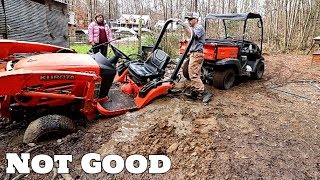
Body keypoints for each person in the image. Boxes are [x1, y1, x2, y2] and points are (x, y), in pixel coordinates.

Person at [183, 12, 212, 103]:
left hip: (197, 54)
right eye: (188, 19)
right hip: (194, 54)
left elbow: (193, 36)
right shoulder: (193, 28)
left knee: (193, 75)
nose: (189, 21)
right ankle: (195, 92)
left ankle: (205, 92)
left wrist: (185, 26)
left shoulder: (199, 28)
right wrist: (185, 26)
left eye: (190, 19)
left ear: (196, 19)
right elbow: (189, 35)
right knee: (195, 74)